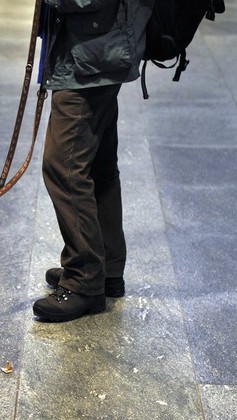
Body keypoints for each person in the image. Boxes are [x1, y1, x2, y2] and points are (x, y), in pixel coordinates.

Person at [32, 0, 153, 322]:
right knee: (96, 165)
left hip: (92, 52)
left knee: (64, 167)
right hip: (97, 48)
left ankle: (85, 281)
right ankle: (106, 268)